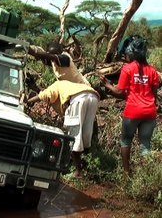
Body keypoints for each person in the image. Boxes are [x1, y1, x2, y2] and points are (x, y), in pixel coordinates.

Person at [100, 37, 159, 176]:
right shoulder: (153, 71)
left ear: (132, 54)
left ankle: (127, 174)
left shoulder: (128, 69)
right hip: (150, 112)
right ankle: (146, 176)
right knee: (145, 145)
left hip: (132, 111)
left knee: (126, 141)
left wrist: (107, 85)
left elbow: (120, 91)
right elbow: (154, 95)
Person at [26, 80, 100, 178]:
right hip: (93, 96)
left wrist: (27, 101)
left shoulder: (56, 85)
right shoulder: (69, 85)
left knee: (74, 138)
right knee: (86, 135)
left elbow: (43, 95)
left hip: (78, 100)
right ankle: (86, 165)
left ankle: (78, 172)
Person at [26, 42, 90, 86]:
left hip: (83, 87)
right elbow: (44, 56)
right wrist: (29, 50)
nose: (51, 56)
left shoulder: (65, 58)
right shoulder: (53, 61)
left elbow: (48, 56)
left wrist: (33, 51)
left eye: (53, 54)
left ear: (59, 53)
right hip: (72, 89)